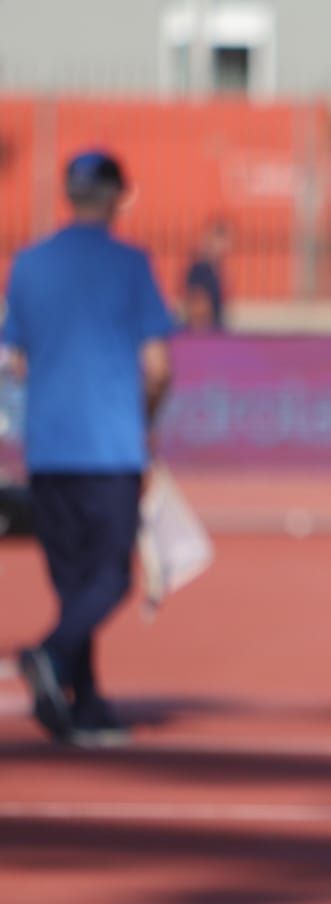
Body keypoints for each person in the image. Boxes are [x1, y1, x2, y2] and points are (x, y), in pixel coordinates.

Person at [1, 149, 175, 743]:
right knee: (111, 579)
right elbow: (156, 367)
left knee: (76, 581)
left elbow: (15, 359)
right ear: (116, 196)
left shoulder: (27, 265)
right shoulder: (129, 265)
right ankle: (50, 656)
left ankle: (87, 704)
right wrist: (144, 424)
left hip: (49, 447)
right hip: (109, 446)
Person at [182, 219, 229, 331]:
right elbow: (196, 305)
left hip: (213, 329)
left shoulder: (215, 268)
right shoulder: (199, 269)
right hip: (203, 332)